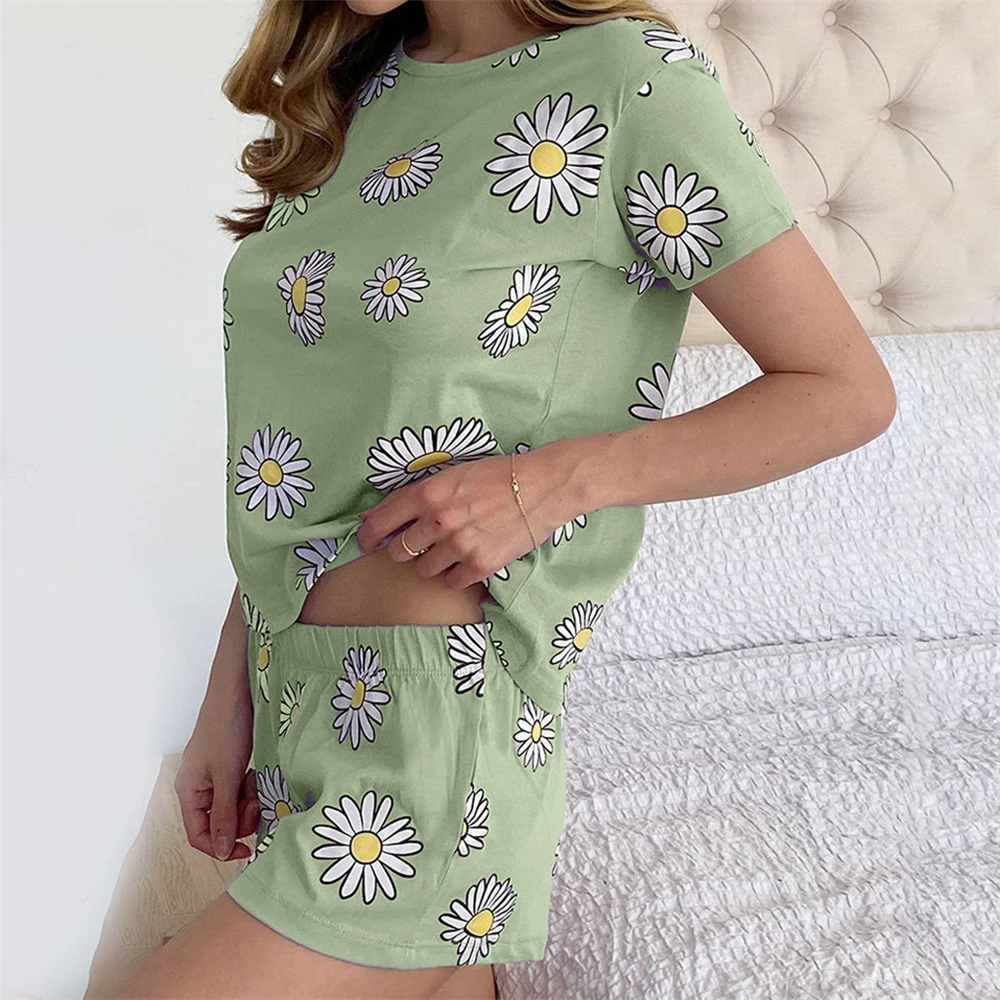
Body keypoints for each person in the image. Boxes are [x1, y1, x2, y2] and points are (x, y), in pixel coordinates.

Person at [100, 0, 896, 997]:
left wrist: (552, 485)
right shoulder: (356, 89)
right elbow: (316, 456)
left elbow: (843, 389)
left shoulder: (625, 81)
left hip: (436, 728)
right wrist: (229, 699)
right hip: (296, 702)